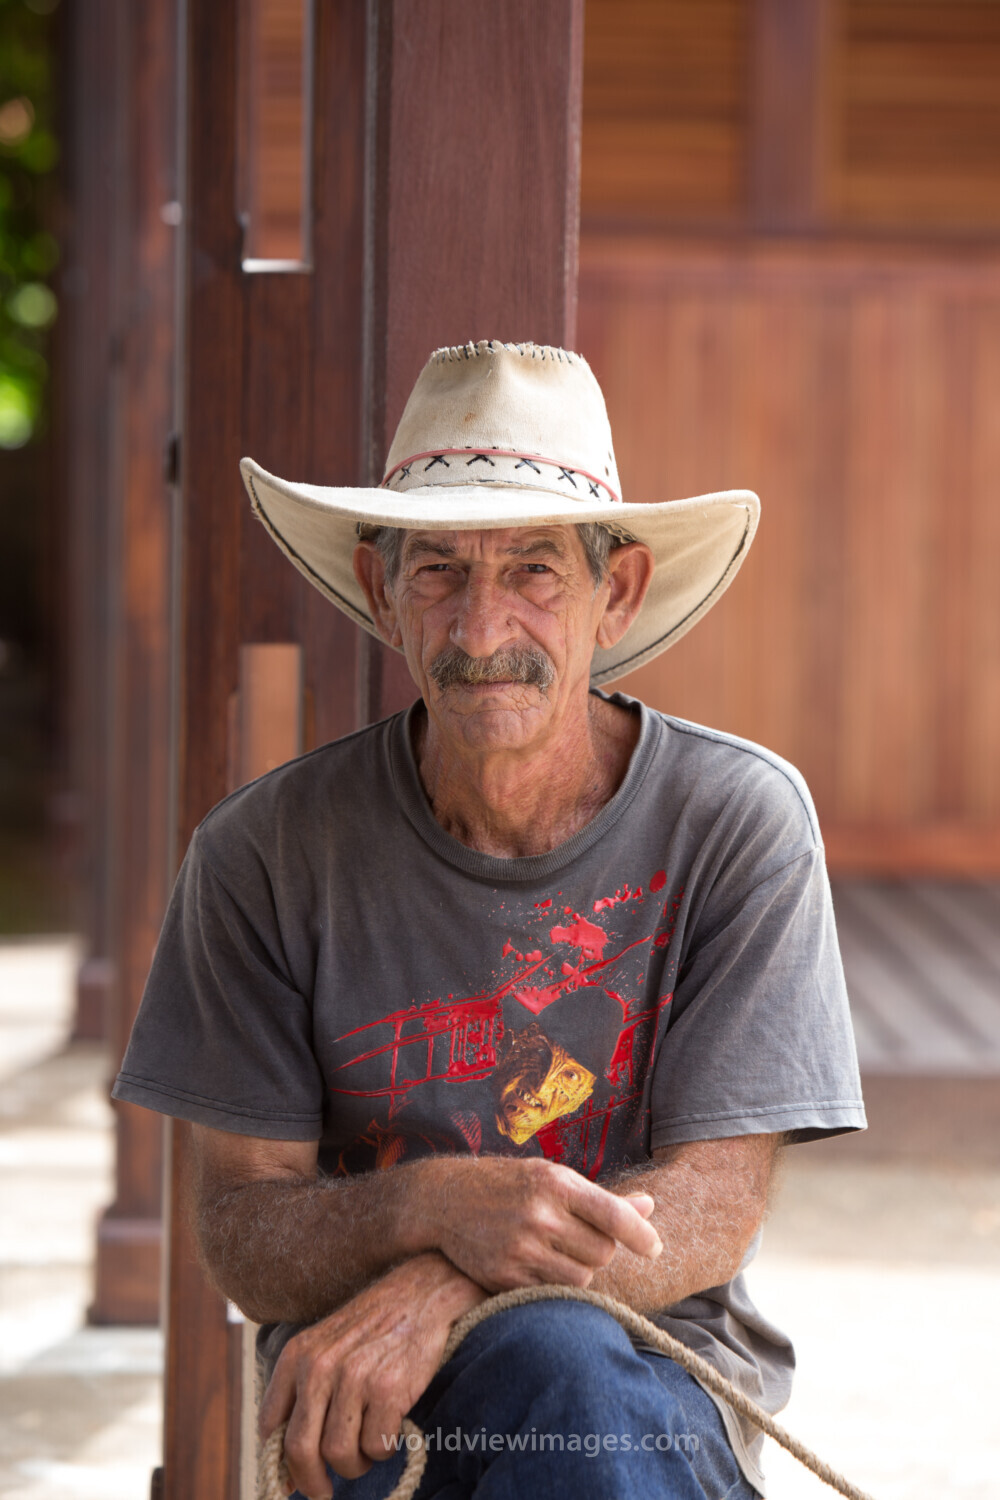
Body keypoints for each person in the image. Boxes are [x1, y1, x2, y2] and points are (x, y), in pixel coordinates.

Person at [114, 340, 865, 1500]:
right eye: (436, 574)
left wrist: (459, 1275)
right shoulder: (262, 853)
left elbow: (713, 1204)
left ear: (616, 593)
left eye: (533, 571)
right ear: (379, 593)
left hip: (648, 1391)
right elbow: (243, 1231)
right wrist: (432, 1204)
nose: (477, 630)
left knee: (563, 1367)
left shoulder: (733, 820)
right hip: (372, 1407)